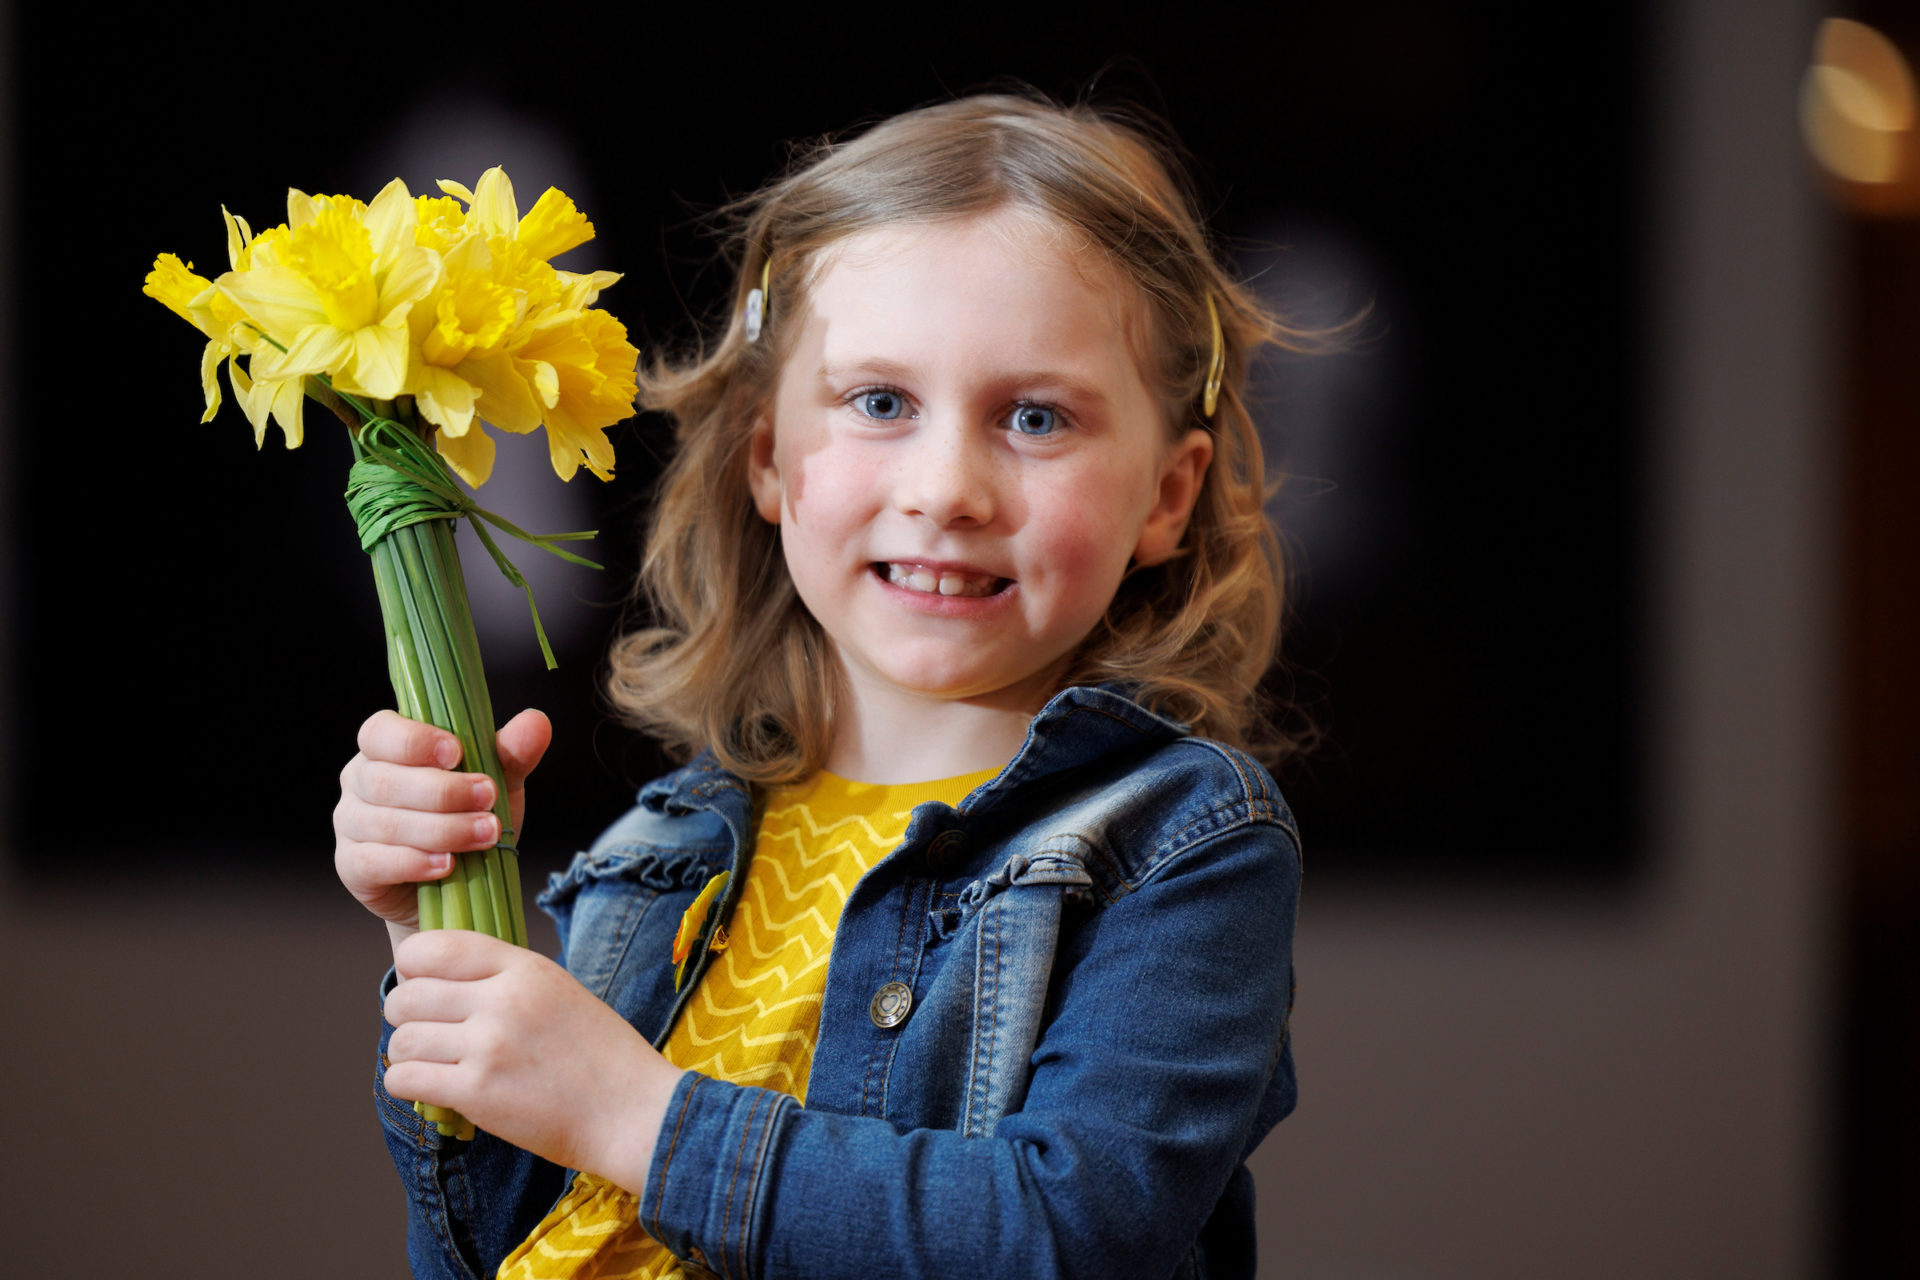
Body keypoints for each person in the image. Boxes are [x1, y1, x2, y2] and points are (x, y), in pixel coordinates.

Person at [335, 91, 1317, 1280]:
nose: (948, 484)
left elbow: (1066, 1238)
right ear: (766, 458)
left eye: (1036, 415)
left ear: (1167, 493)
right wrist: (432, 935)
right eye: (880, 402)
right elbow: (500, 1247)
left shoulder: (1182, 840)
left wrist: (633, 1109)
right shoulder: (666, 843)